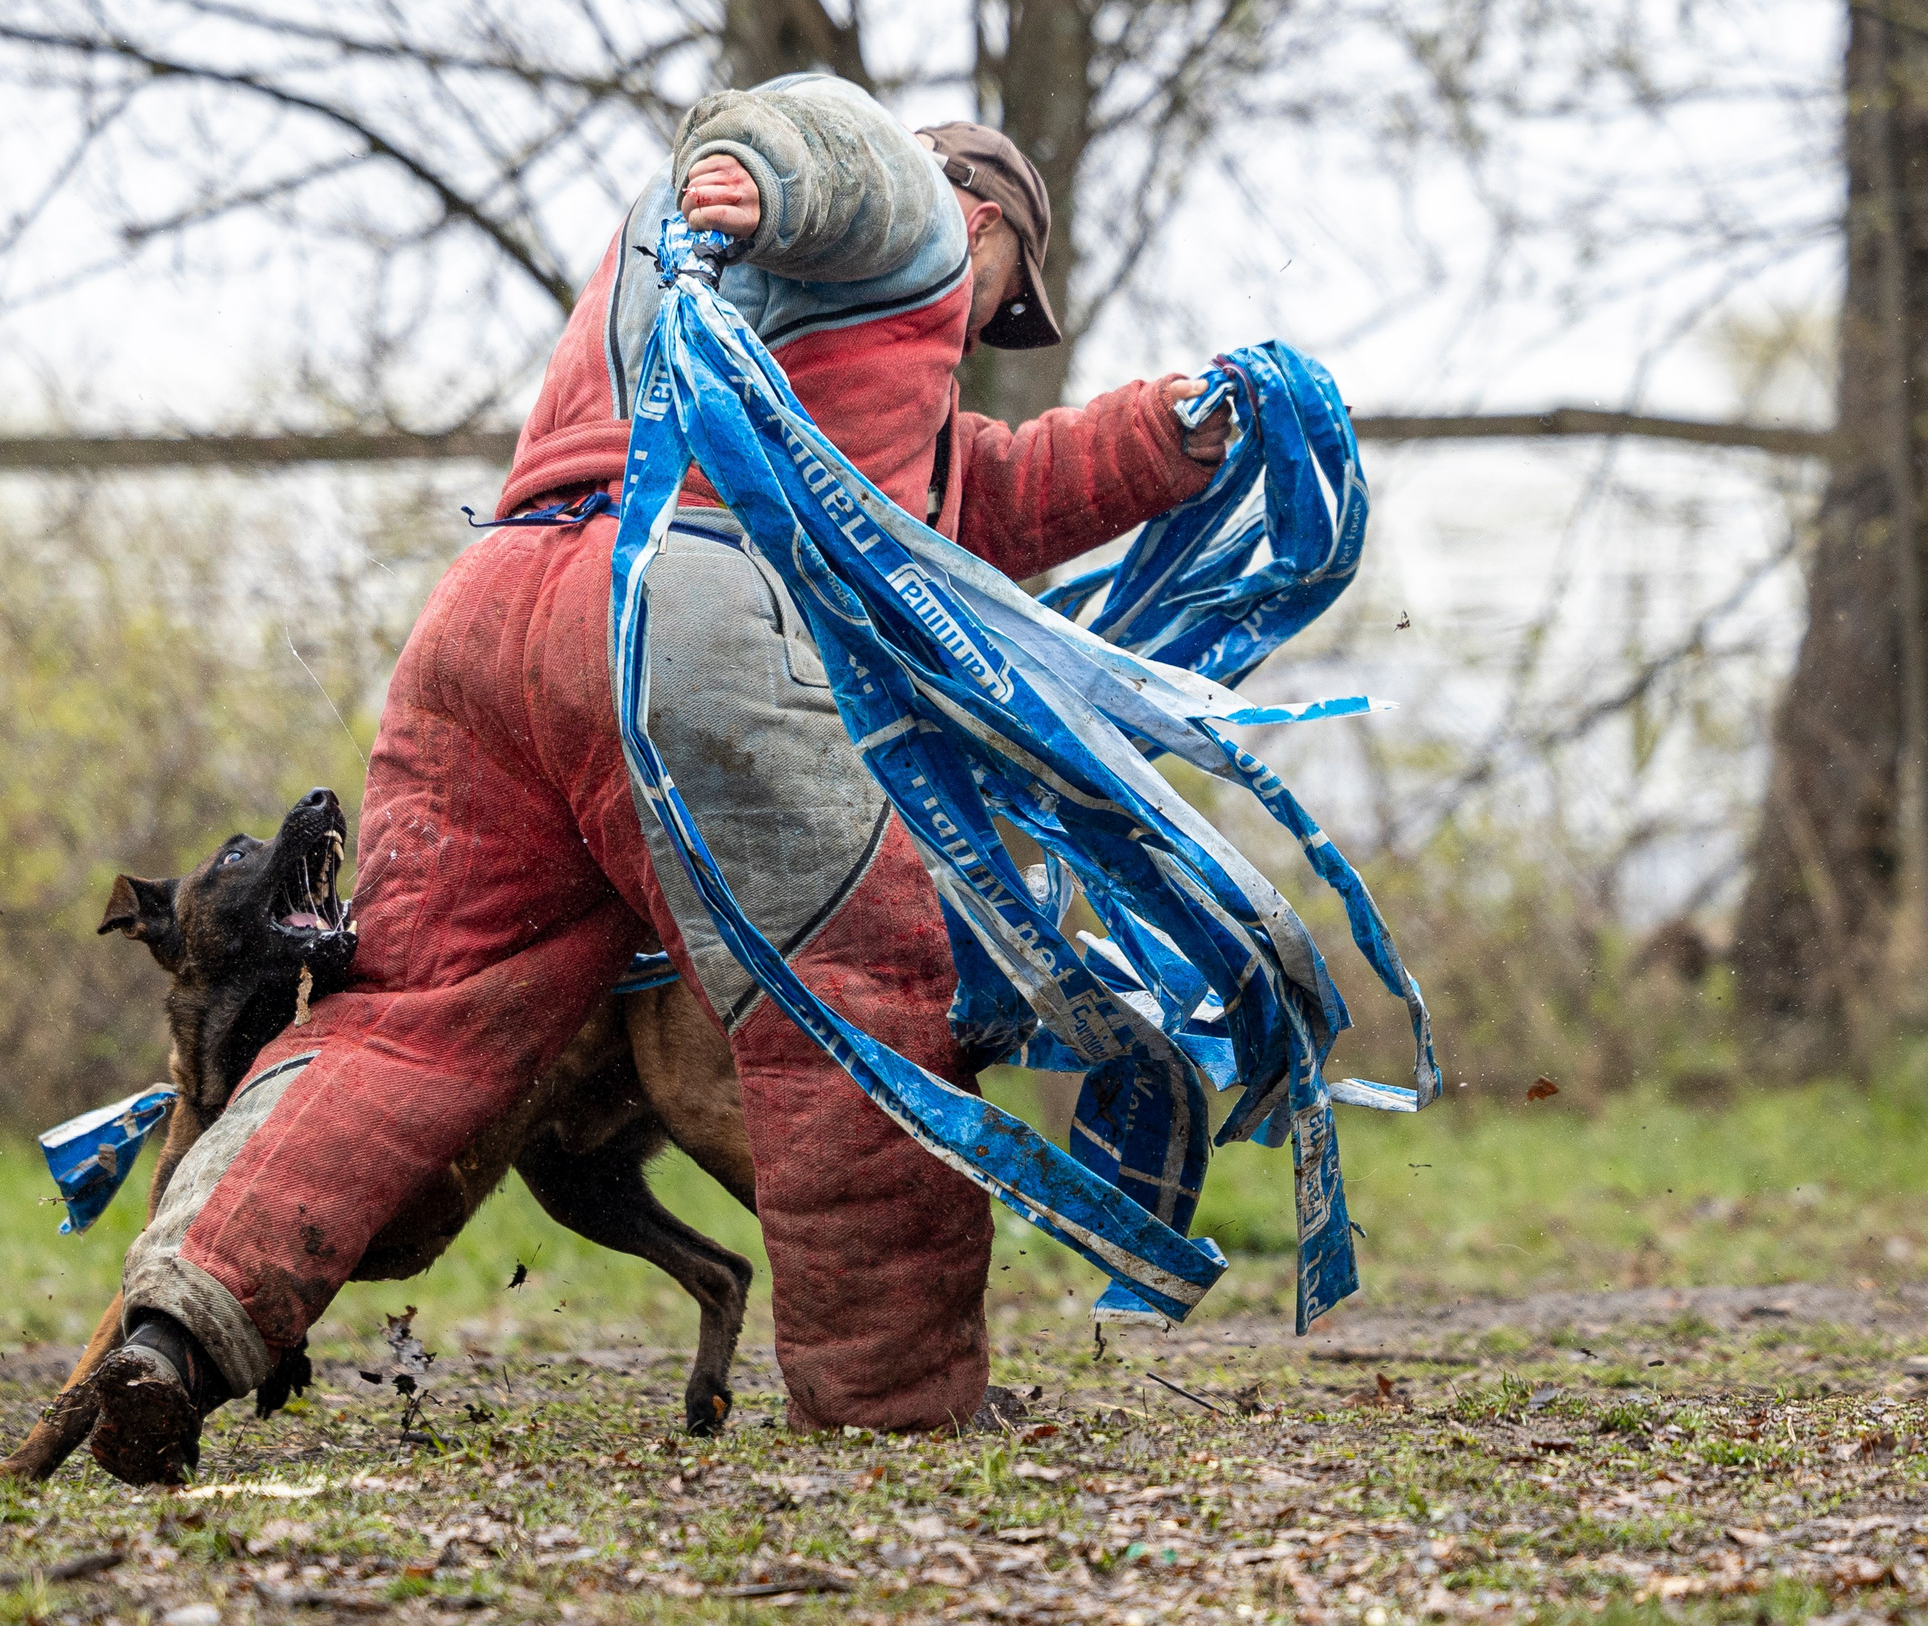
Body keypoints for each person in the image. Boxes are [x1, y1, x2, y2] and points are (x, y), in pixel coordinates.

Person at [83, 75, 1233, 1484]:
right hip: (686, 608)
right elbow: (828, 138)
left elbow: (985, 493)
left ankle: (182, 1321)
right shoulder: (902, 212)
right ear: (982, 220)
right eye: (1001, 298)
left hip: (492, 619)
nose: (986, 330)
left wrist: (1177, 433)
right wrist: (771, 168)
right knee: (853, 1014)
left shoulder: (723, 291)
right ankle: (899, 1395)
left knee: (417, 1019)